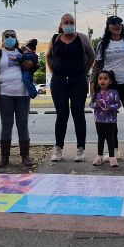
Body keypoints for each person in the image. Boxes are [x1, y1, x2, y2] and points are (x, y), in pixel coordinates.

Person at [90, 15, 124, 163]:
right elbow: (97, 66)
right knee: (110, 119)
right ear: (108, 27)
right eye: (114, 23)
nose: (117, 25)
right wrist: (93, 83)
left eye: (119, 23)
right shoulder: (103, 44)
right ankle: (114, 150)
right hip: (110, 86)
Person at [46, 13, 96, 162]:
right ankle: (58, 148)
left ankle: (81, 148)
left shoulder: (82, 38)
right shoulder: (55, 38)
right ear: (61, 25)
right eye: (66, 22)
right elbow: (48, 56)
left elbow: (92, 56)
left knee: (78, 114)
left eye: (71, 22)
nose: (68, 24)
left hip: (78, 81)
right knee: (62, 114)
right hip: (58, 81)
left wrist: (84, 71)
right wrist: (53, 69)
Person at [0, 29, 36, 168]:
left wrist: (32, 65)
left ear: (16, 38)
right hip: (5, 94)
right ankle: (4, 158)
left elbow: (33, 65)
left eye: (12, 36)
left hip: (23, 94)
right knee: (6, 124)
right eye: (7, 36)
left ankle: (25, 156)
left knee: (23, 124)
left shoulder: (22, 52)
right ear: (2, 39)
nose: (10, 38)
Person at [90, 70, 122, 167]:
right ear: (97, 81)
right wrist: (96, 104)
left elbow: (118, 104)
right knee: (100, 138)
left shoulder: (114, 92)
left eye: (105, 79)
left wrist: (110, 107)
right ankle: (99, 157)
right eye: (100, 79)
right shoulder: (96, 93)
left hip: (111, 120)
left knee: (110, 138)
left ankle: (112, 157)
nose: (102, 81)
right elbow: (91, 104)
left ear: (110, 81)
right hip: (98, 120)